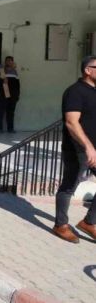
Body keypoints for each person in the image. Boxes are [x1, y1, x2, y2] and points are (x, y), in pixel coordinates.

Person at [53, 55, 96, 243]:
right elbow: (72, 122)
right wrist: (88, 147)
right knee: (69, 186)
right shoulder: (75, 92)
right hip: (77, 149)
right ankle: (60, 225)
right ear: (88, 70)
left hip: (94, 148)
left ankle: (88, 222)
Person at [0, 56, 20, 133]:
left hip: (12, 95)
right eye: (7, 61)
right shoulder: (1, 70)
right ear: (5, 62)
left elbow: (17, 85)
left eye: (10, 61)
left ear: (12, 62)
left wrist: (17, 95)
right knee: (0, 111)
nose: (8, 62)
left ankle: (10, 128)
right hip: (2, 94)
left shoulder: (14, 72)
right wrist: (2, 81)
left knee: (11, 112)